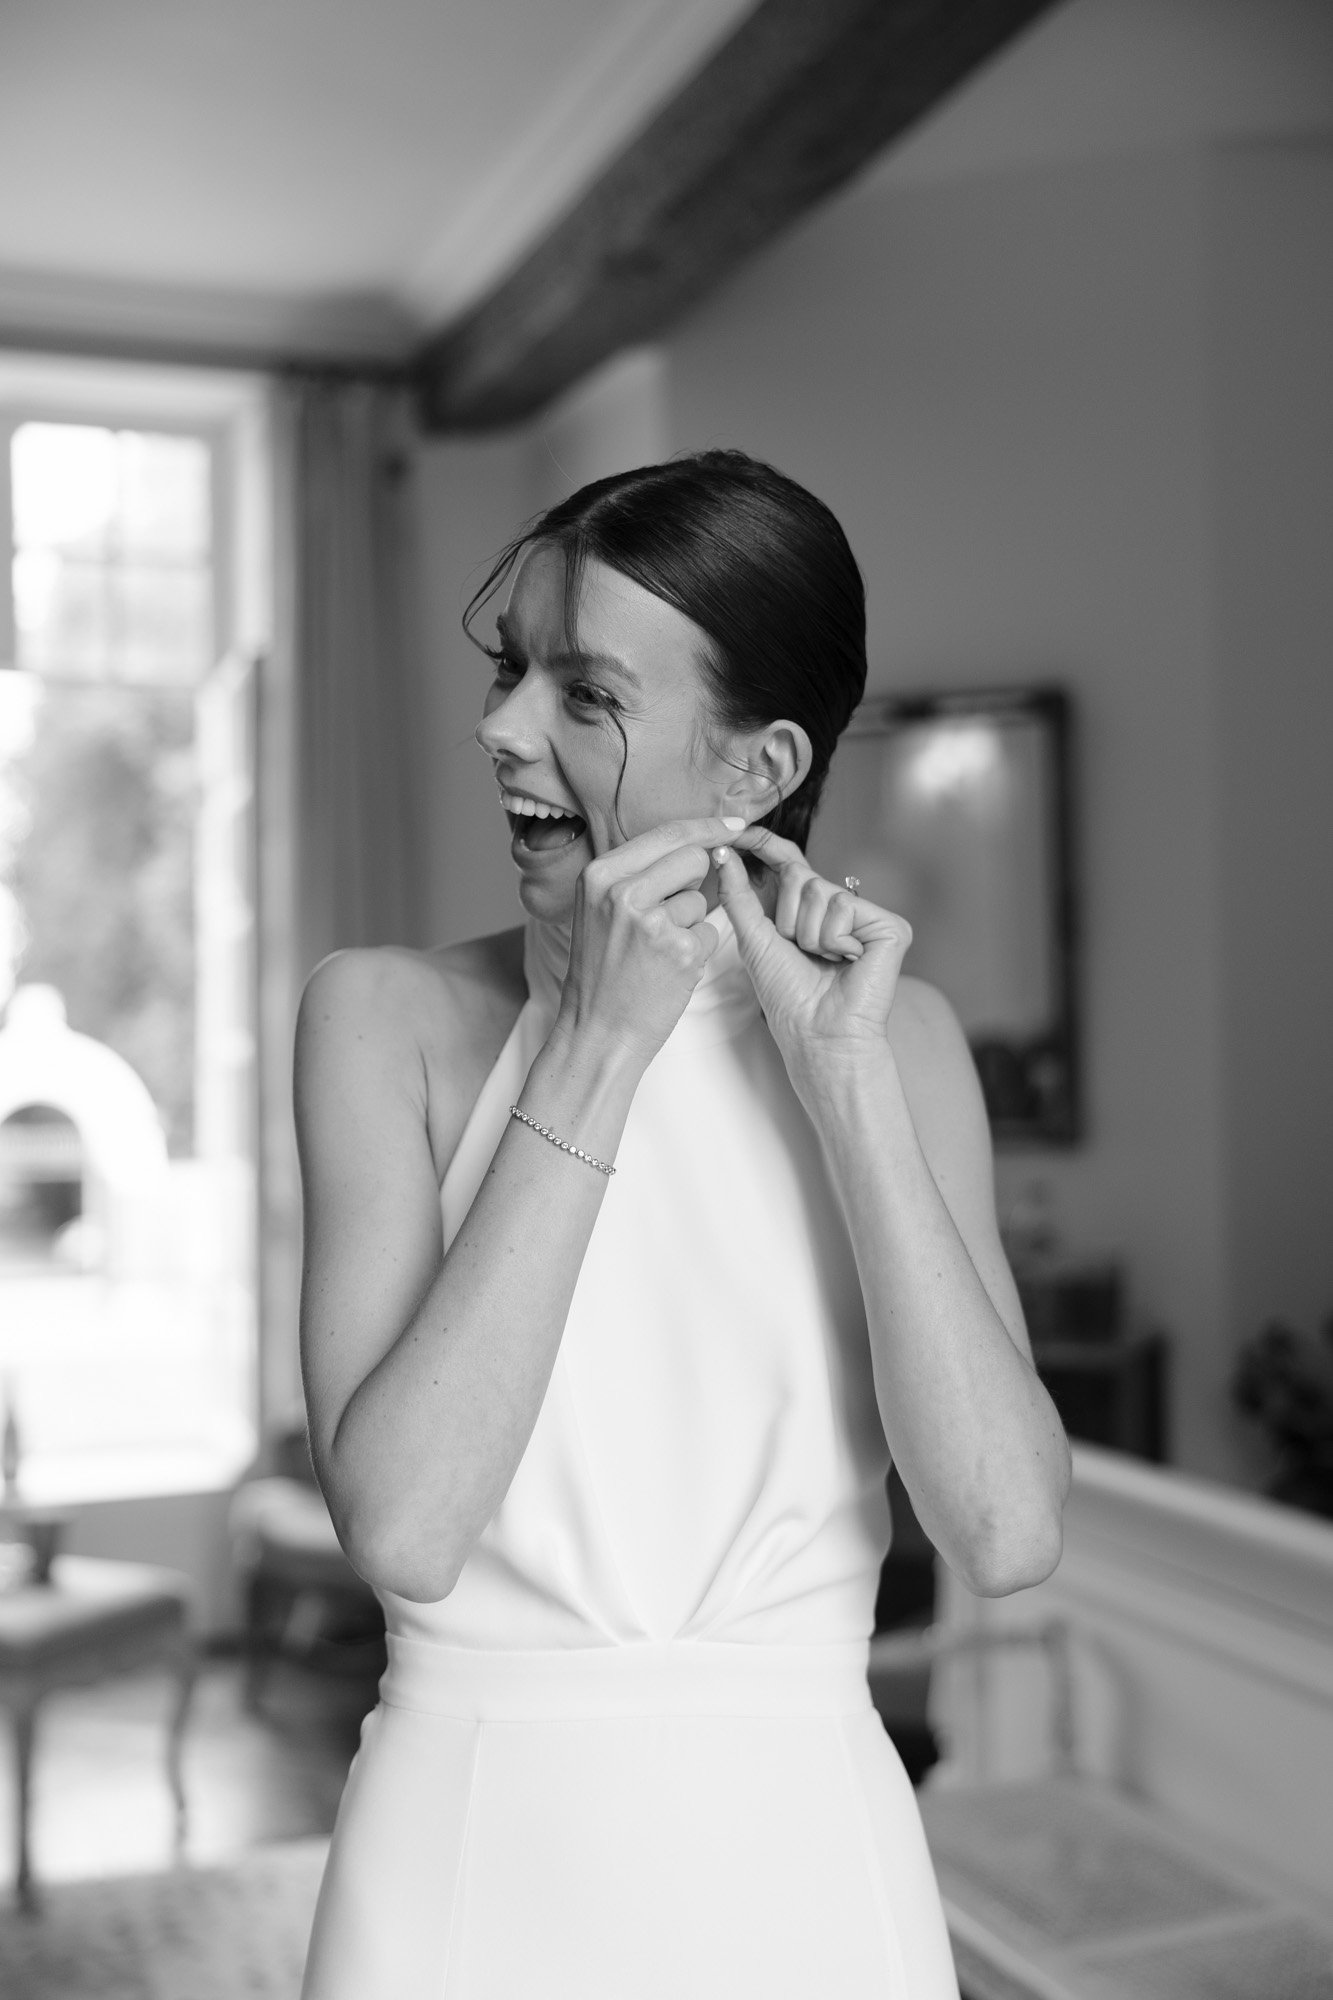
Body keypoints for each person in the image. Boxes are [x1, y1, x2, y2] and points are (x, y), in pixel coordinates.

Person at [295, 450, 1070, 1999]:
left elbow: (1003, 1530)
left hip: (814, 1873)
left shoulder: (898, 1042)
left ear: (756, 768)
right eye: (512, 669)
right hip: (466, 1871)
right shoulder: (381, 1017)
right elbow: (404, 1525)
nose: (499, 727)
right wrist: (592, 1043)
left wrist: (841, 1084)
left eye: (583, 694)